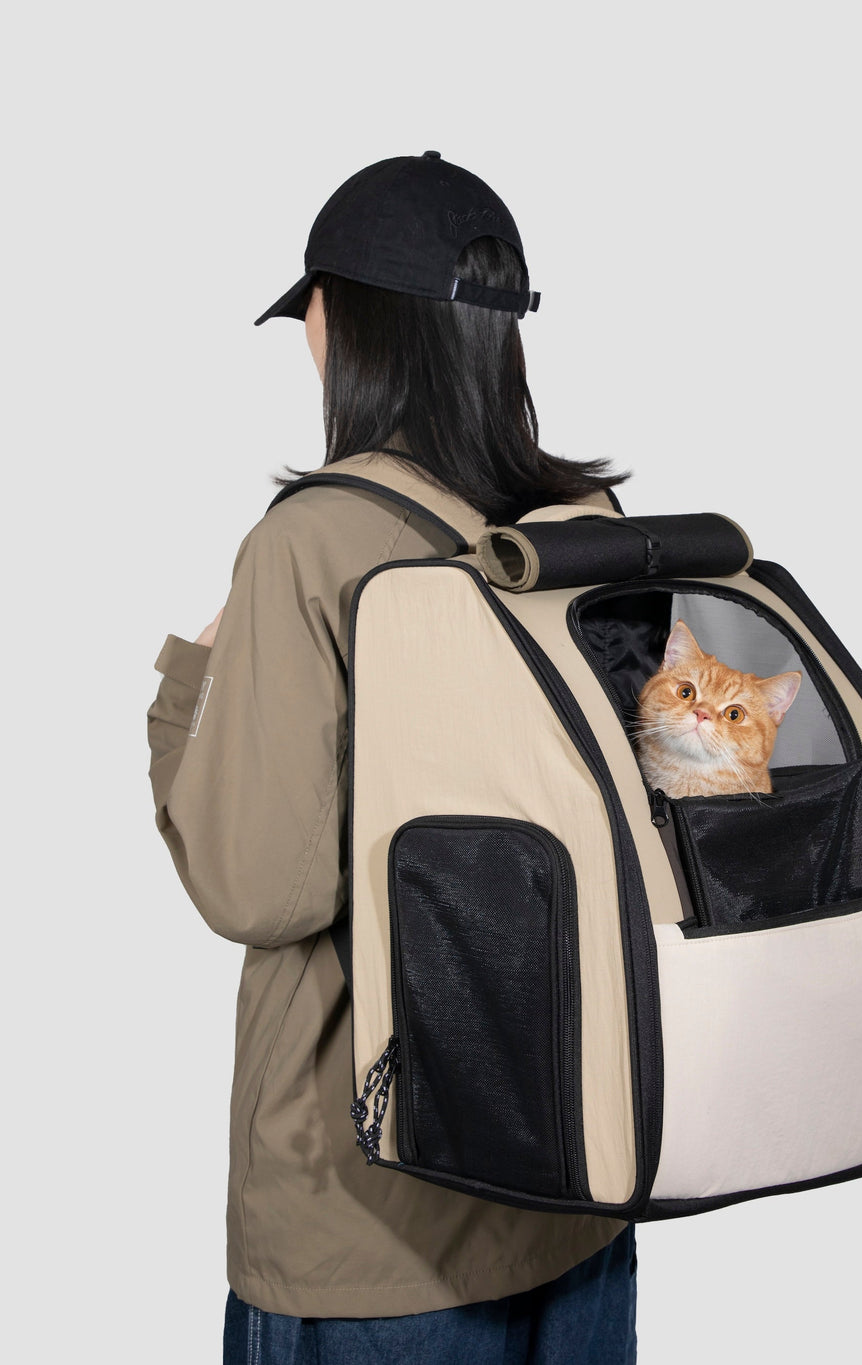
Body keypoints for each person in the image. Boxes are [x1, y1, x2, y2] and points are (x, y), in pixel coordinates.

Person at [146, 150, 638, 1364]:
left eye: (309, 312)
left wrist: (187, 682)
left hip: (368, 1226)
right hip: (580, 1181)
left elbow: (256, 883)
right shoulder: (587, 534)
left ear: (351, 324)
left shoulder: (311, 546)